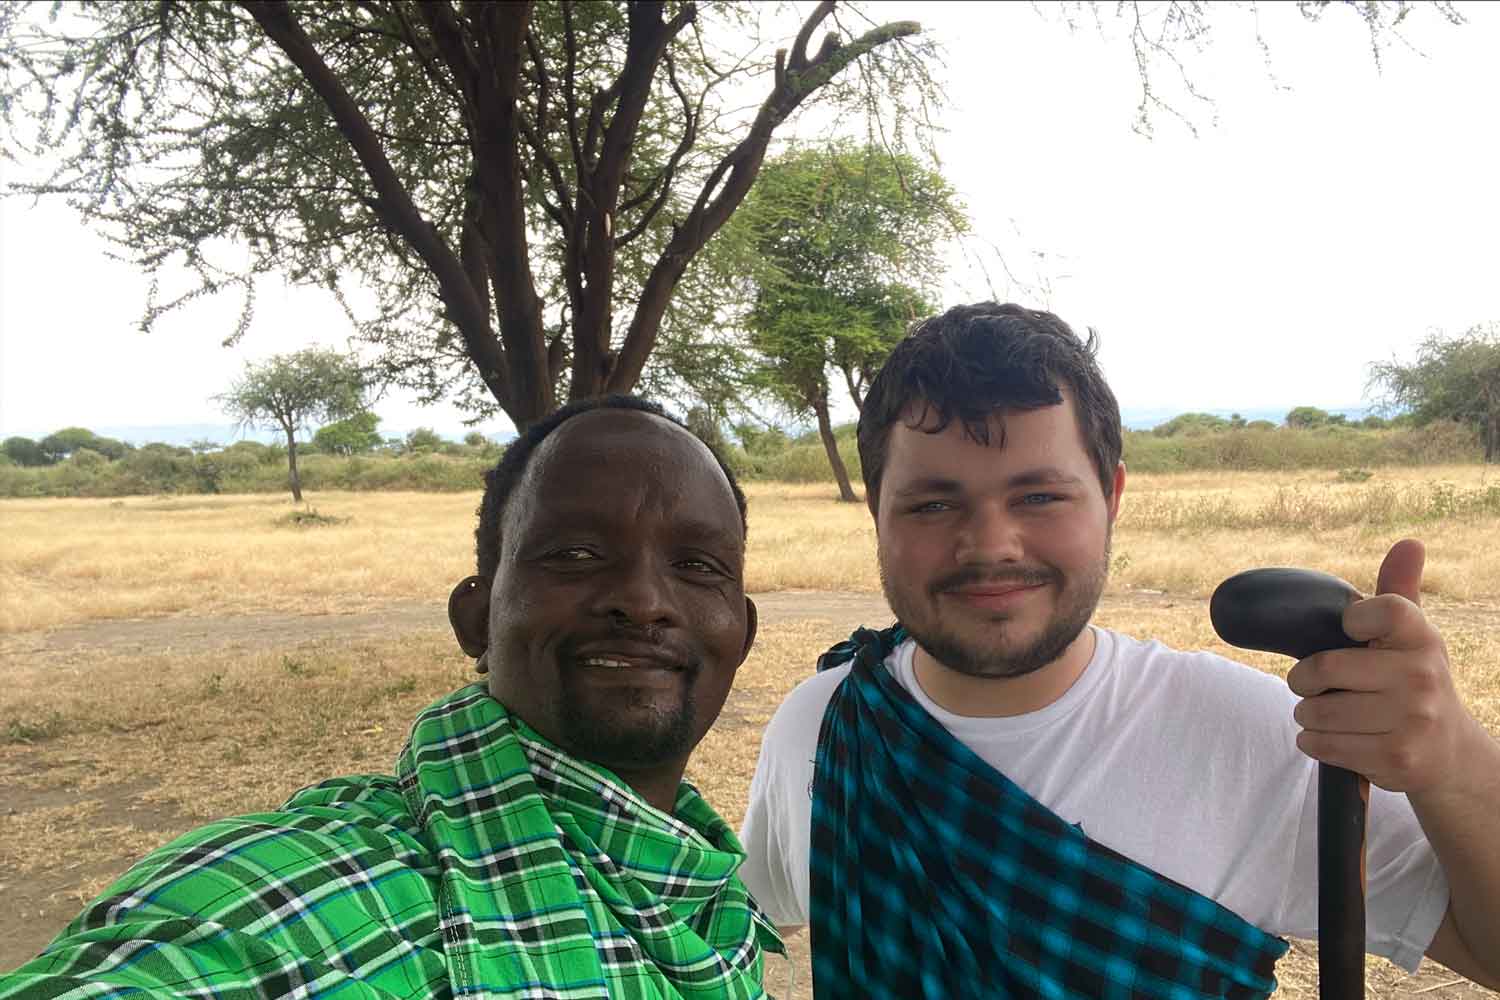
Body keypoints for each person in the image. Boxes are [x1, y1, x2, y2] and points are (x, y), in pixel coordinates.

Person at [738, 302, 1500, 998]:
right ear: (877, 513)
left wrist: (1455, 761)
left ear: (1113, 498)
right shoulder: (823, 728)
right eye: (933, 503)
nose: (991, 546)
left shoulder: (1255, 737)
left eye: (1039, 496)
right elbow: (747, 931)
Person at [2, 395, 782, 1000]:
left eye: (698, 565)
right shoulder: (299, 900)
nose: (644, 600)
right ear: (476, 617)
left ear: (740, 635)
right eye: (576, 553)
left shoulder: (704, 883)